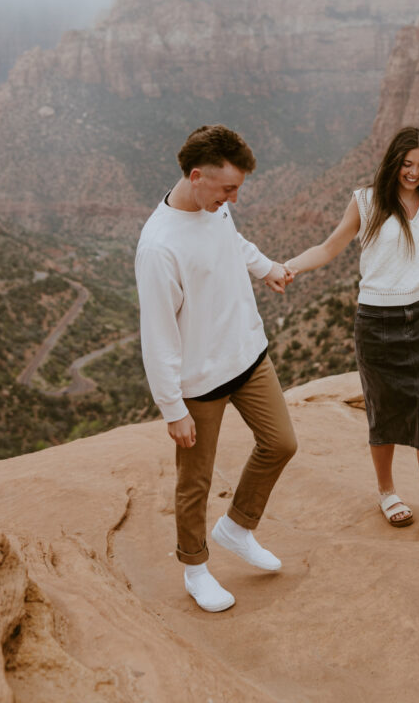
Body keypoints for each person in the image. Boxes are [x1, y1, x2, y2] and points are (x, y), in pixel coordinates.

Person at [135, 124, 297, 613]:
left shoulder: (216, 207)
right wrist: (172, 408)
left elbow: (233, 241)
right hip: (199, 382)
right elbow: (158, 335)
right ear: (196, 175)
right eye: (228, 188)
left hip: (248, 356)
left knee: (281, 443)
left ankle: (237, 527)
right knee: (196, 481)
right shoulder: (159, 247)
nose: (232, 199)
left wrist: (265, 266)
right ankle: (195, 568)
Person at [286, 126, 419, 541]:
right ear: (393, 161)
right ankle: (387, 492)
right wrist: (286, 267)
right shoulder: (366, 201)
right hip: (376, 322)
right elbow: (329, 247)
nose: (413, 173)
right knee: (383, 411)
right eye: (406, 164)